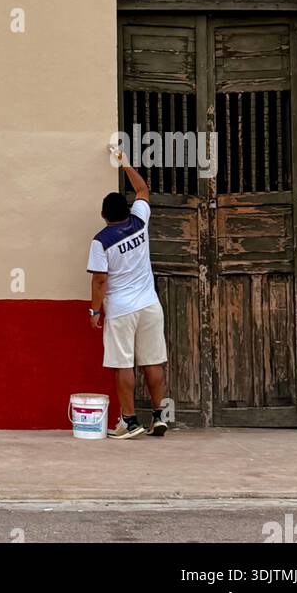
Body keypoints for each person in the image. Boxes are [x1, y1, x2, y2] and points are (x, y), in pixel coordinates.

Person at [87, 151, 171, 438]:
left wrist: (95, 311)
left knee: (123, 364)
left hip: (122, 309)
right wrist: (123, 162)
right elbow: (142, 189)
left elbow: (100, 280)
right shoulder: (139, 221)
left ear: (103, 215)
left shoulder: (101, 241)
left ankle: (129, 421)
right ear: (127, 209)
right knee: (152, 361)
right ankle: (159, 416)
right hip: (150, 304)